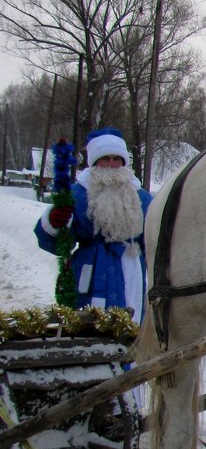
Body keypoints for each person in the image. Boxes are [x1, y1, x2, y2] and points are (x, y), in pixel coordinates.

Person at [35, 128, 153, 323]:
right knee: (87, 325)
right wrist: (55, 223)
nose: (112, 164)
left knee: (131, 326)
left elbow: (153, 237)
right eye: (106, 158)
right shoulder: (78, 194)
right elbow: (57, 243)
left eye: (117, 159)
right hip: (91, 270)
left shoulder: (140, 197)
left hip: (130, 270)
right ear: (95, 162)